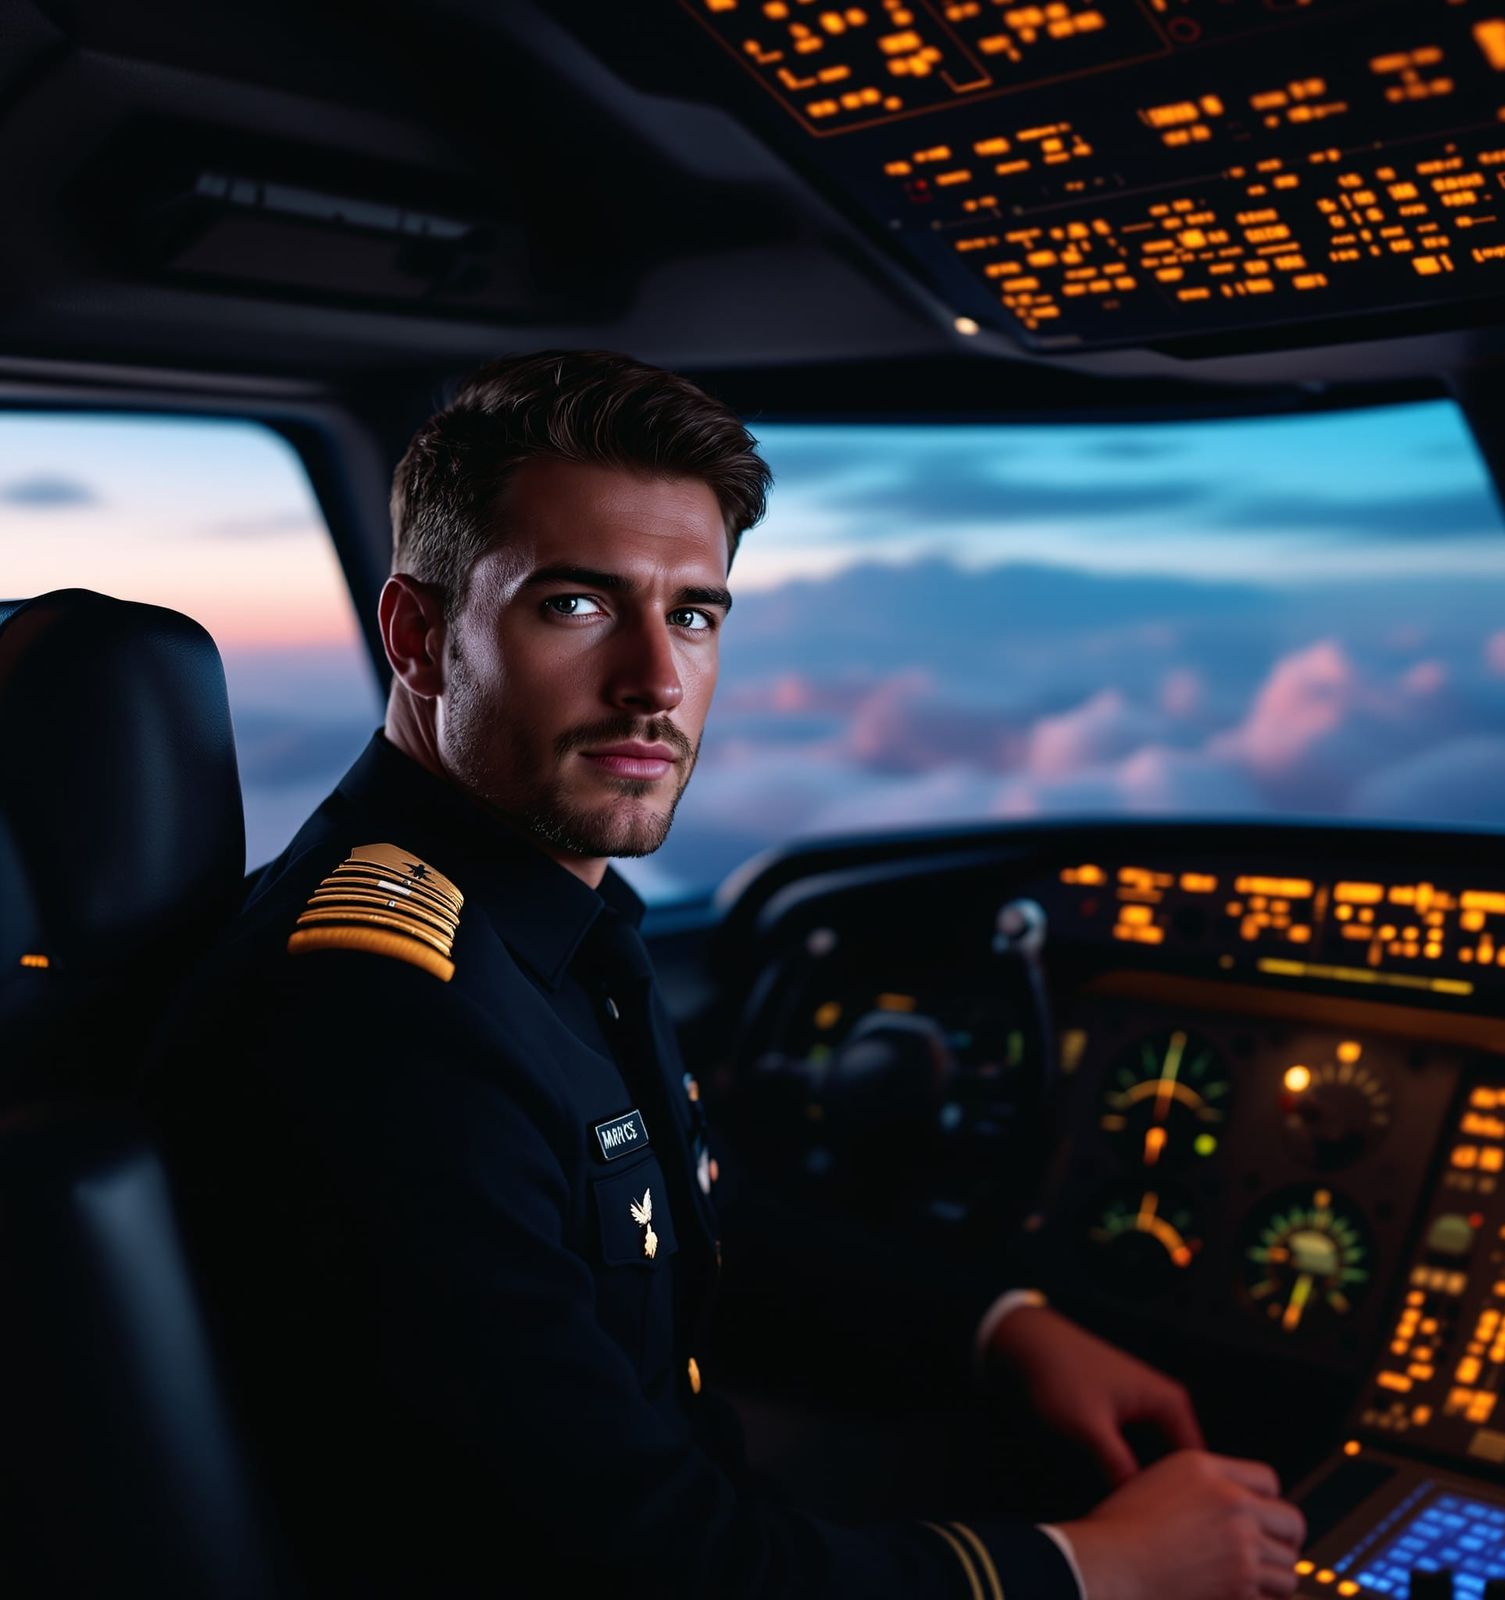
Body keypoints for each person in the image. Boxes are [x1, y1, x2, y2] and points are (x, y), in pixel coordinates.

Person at [149, 350, 1307, 1598]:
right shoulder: (384, 1020)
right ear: (418, 638)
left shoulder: (536, 914)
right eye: (577, 605)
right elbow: (648, 1568)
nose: (655, 680)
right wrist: (1097, 1573)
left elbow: (672, 1223)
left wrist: (997, 1324)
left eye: (692, 613)